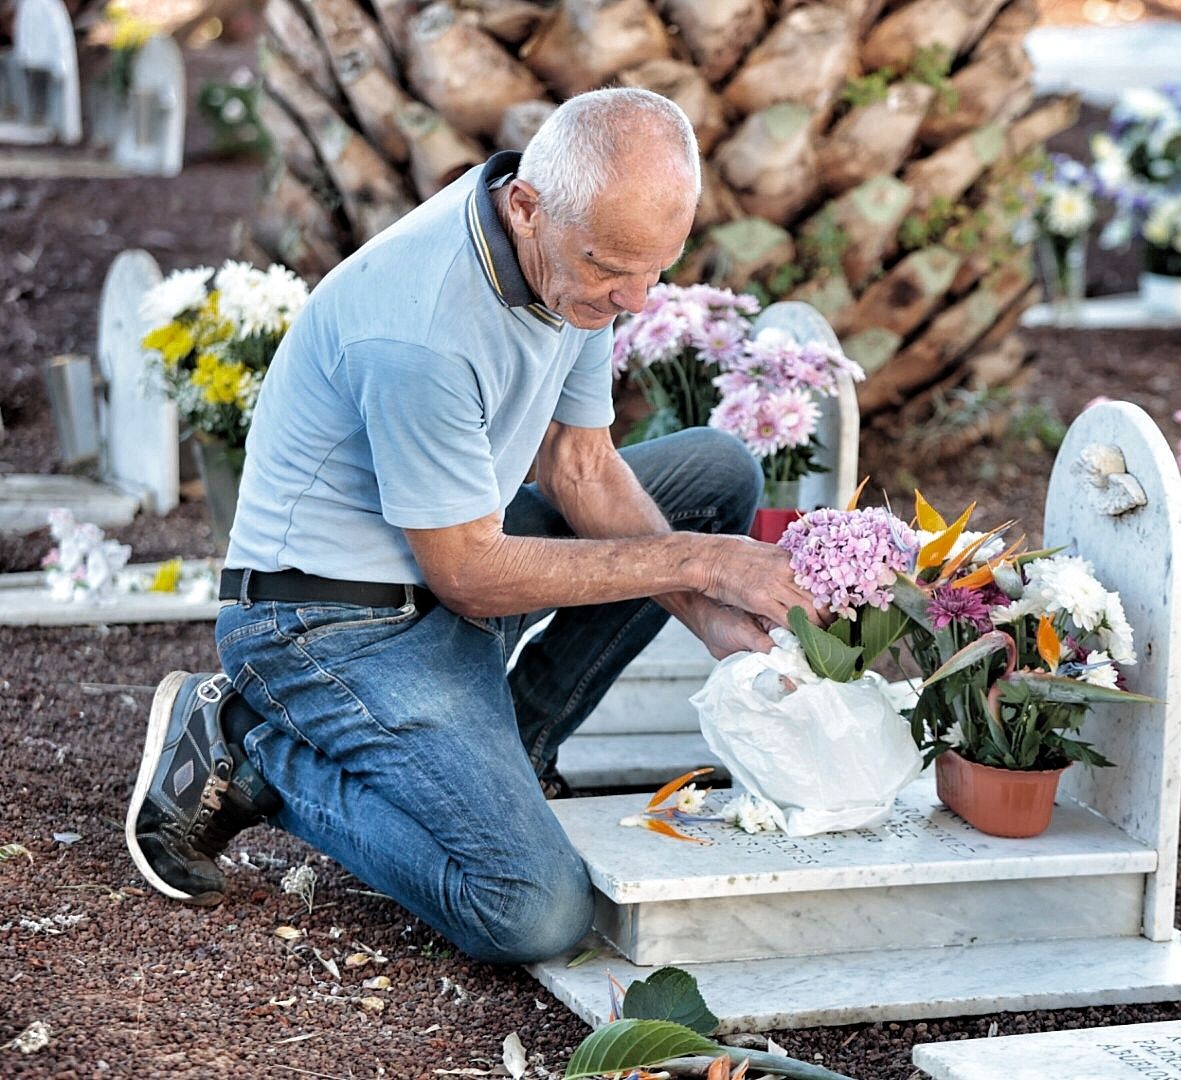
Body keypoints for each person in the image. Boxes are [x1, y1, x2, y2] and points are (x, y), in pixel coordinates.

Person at [124, 88, 821, 965]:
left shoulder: (576, 258)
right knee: (533, 912)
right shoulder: (419, 328)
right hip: (330, 623)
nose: (639, 299)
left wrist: (710, 614)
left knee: (713, 477)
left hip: (446, 573)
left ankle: (511, 749)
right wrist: (699, 562)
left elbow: (582, 468)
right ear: (527, 207)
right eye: (616, 270)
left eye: (659, 266)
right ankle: (256, 746)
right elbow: (471, 574)